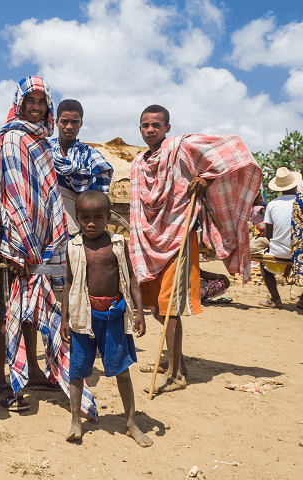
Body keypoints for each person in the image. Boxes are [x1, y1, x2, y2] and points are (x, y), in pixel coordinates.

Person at [130, 105, 261, 394]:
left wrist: (206, 178)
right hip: (150, 243)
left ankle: (176, 374)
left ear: (167, 127)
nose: (150, 129)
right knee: (156, 309)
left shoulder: (181, 147)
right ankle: (176, 362)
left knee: (170, 308)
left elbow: (231, 149)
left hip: (178, 235)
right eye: (145, 125)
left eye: (156, 125)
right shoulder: (139, 162)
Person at [0, 76, 98, 419]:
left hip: (47, 242)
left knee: (35, 306)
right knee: (9, 309)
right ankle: (3, 382)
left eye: (42, 102)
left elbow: (45, 192)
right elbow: (12, 193)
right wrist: (20, 244)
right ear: (19, 103)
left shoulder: (40, 141)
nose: (36, 107)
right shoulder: (11, 138)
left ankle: (34, 371)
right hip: (19, 243)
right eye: (30, 101)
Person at [61, 190, 151, 447]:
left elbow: (131, 279)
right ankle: (76, 422)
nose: (91, 223)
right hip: (83, 317)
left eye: (97, 217)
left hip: (113, 316)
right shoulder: (74, 247)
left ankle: (131, 422)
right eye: (85, 217)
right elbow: (68, 283)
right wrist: (65, 318)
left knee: (121, 370)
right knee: (77, 372)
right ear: (77, 218)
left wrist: (139, 311)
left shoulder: (118, 245)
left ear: (108, 217)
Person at [50, 99, 113, 236]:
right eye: (64, 121)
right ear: (56, 123)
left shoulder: (92, 157)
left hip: (80, 232)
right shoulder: (44, 153)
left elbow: (99, 199)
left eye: (75, 122)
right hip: (48, 229)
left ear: (81, 123)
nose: (69, 126)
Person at [259, 167, 303, 309]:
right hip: (300, 253)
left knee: (264, 265)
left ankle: (276, 300)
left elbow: (269, 235)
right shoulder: (301, 203)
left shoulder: (272, 205)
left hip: (279, 252)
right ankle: (302, 299)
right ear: (295, 185)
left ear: (279, 188)